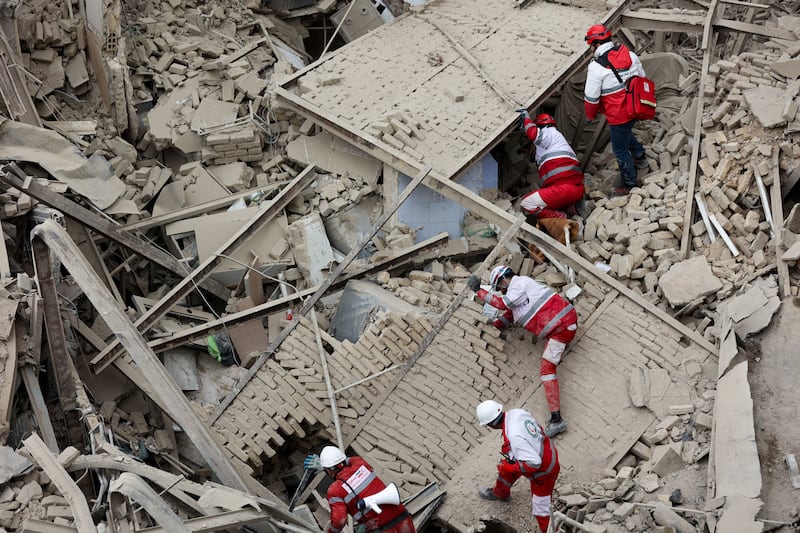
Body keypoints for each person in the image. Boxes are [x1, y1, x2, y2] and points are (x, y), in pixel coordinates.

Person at [467, 266, 578, 437]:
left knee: (547, 371)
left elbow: (502, 304)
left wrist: (478, 291)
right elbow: (510, 313)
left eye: (500, 289)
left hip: (561, 329)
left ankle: (557, 420)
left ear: (504, 280)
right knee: (547, 370)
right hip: (561, 328)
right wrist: (494, 327)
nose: (501, 292)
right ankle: (557, 420)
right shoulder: (518, 292)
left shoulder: (518, 284)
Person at [583, 23, 649, 196]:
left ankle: (630, 184)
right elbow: (642, 78)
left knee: (619, 149)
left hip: (618, 115)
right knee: (625, 132)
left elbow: (591, 98)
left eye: (590, 45)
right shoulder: (630, 54)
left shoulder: (596, 68)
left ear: (596, 44)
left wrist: (590, 116)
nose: (590, 48)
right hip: (636, 107)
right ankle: (640, 157)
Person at [475, 400, 560, 533]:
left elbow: (534, 463)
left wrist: (513, 467)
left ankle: (551, 531)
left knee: (541, 510)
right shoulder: (516, 413)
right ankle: (500, 493)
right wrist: (511, 466)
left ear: (490, 424)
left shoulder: (514, 436)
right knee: (507, 469)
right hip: (545, 449)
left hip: (545, 471)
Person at [304, 446, 416, 533]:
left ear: (329, 470)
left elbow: (340, 521)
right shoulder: (360, 463)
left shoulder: (335, 490)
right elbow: (348, 461)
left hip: (382, 528)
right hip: (403, 518)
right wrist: (328, 465)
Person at [518, 111, 585, 221]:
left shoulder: (549, 132)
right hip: (575, 189)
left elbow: (535, 136)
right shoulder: (560, 142)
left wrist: (527, 120)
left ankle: (562, 218)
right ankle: (567, 212)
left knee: (527, 203)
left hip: (563, 189)